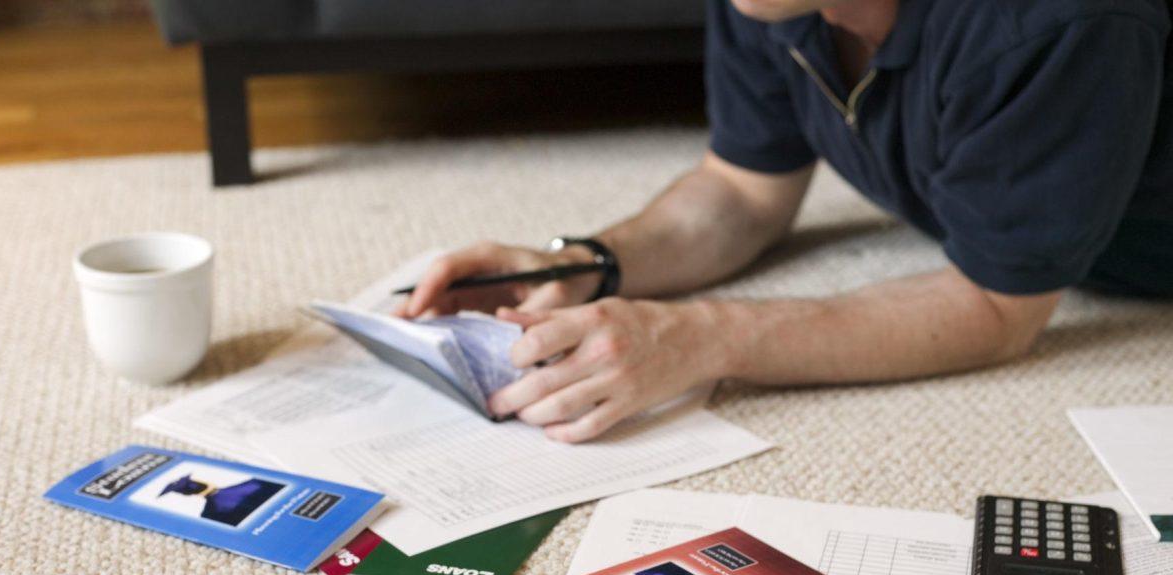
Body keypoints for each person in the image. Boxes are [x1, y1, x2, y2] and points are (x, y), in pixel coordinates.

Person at [400, 0, 1173, 443]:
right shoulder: (772, 1)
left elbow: (997, 308)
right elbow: (742, 192)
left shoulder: (1060, 18)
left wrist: (694, 336)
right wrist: (585, 264)